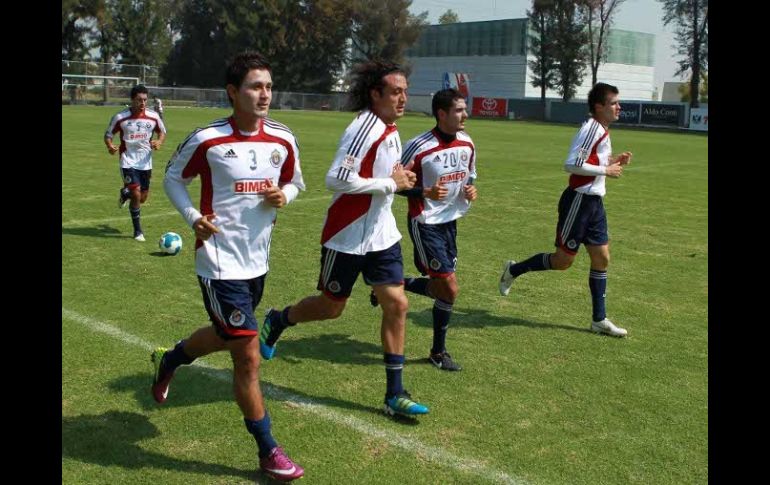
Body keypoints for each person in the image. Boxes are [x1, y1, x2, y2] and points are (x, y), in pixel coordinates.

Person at [153, 51, 305, 481]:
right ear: (233, 92)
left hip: (258, 261)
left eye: (269, 87)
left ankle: (172, 358)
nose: (264, 95)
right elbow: (172, 178)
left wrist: (285, 196)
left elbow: (297, 181)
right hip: (217, 262)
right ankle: (267, 450)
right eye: (256, 87)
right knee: (248, 355)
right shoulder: (208, 139)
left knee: (226, 336)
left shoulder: (282, 139)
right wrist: (193, 219)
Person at [259, 60, 430, 418]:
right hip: (347, 234)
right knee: (331, 307)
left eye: (405, 92)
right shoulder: (363, 127)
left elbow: (384, 176)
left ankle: (394, 394)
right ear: (376, 94)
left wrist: (400, 178)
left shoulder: (391, 128)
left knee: (397, 304)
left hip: (382, 234)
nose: (403, 98)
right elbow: (336, 179)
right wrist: (389, 183)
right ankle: (279, 319)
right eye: (396, 92)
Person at [499, 82, 633, 337]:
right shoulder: (592, 128)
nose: (619, 107)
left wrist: (613, 161)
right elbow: (572, 164)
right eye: (614, 102)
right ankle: (513, 270)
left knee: (602, 258)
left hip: (595, 203)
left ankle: (599, 320)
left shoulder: (602, 129)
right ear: (599, 106)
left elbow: (591, 161)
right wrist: (606, 170)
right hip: (579, 203)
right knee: (563, 262)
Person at [370, 88, 477, 371]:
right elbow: (395, 184)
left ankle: (391, 286)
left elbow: (470, 176)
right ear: (442, 114)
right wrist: (425, 192)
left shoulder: (467, 143)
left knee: (443, 288)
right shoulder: (419, 146)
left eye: (464, 109)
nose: (465, 114)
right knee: (450, 289)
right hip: (425, 222)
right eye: (458, 110)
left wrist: (469, 190)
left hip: (450, 223)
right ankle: (438, 352)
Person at [104, 85, 166, 242]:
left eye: (145, 100)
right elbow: (108, 134)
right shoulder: (120, 118)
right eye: (139, 100)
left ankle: (125, 192)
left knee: (142, 197)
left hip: (146, 162)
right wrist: (110, 146)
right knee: (137, 193)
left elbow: (162, 132)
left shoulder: (153, 117)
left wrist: (158, 141)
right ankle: (138, 231)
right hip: (127, 160)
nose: (143, 103)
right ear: (132, 100)